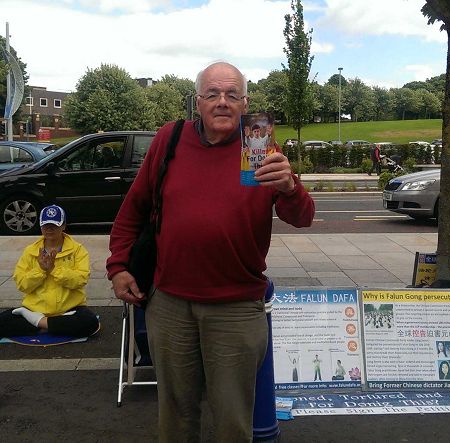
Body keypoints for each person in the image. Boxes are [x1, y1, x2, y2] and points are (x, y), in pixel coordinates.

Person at [106, 61, 315, 442]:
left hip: (236, 306)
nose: (222, 102)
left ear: (244, 103)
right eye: (213, 94)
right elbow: (132, 210)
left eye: (232, 95)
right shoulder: (170, 138)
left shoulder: (260, 146)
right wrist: (119, 266)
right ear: (197, 101)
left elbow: (302, 217)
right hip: (169, 304)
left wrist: (289, 187)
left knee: (233, 419)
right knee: (176, 414)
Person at [0, 205, 99, 339]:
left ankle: (39, 323)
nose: (49, 229)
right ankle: (53, 326)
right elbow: (22, 284)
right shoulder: (30, 251)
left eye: (54, 225)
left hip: (69, 310)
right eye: (45, 225)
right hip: (34, 309)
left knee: (90, 322)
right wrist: (41, 270)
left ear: (63, 226)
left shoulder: (78, 250)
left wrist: (53, 269)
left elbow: (80, 280)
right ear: (41, 226)